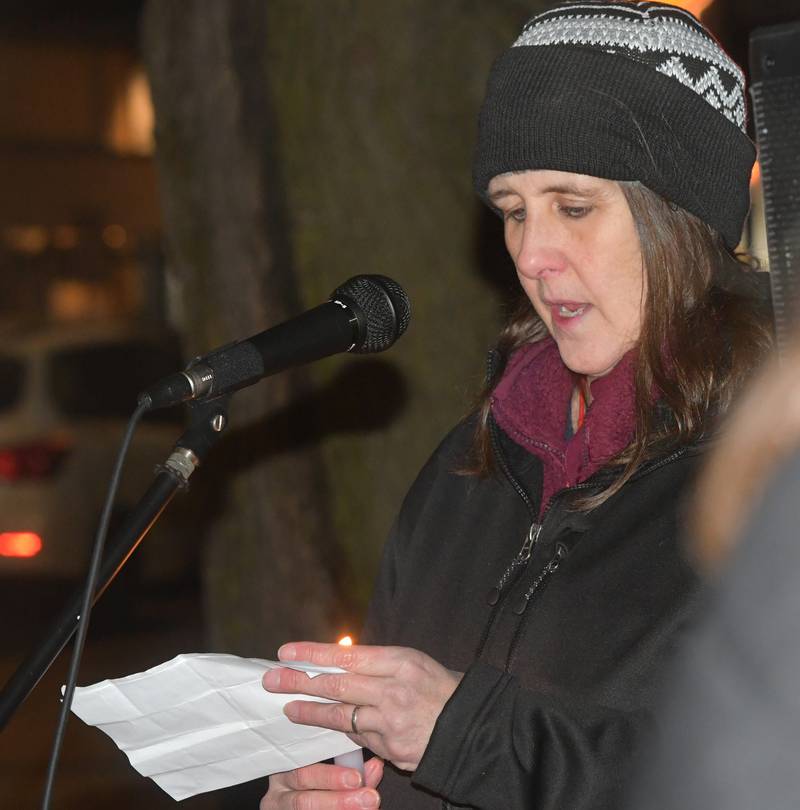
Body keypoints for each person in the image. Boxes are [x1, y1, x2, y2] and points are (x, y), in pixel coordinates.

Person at [260, 2, 773, 808]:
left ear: (679, 218)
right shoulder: (472, 460)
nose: (532, 254)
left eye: (574, 207)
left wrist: (471, 737)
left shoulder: (769, 472)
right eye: (512, 211)